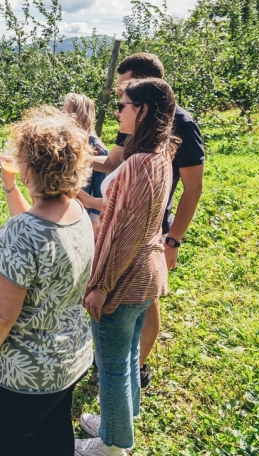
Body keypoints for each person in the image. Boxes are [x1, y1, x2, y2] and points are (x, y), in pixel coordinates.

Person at [0, 107, 95, 456]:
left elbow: (0, 316)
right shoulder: (79, 214)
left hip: (22, 378)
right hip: (69, 359)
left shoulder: (21, 232)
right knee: (54, 443)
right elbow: (36, 229)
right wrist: (10, 184)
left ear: (31, 166)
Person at [77, 79, 179, 456]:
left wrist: (101, 284)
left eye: (124, 105)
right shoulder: (161, 155)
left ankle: (112, 445)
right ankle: (121, 419)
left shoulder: (138, 163)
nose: (118, 111)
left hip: (126, 277)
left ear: (144, 110)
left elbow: (124, 233)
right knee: (130, 351)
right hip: (149, 274)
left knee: (113, 368)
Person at [91, 53, 205, 387]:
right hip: (129, 216)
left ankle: (136, 367)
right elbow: (112, 162)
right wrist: (70, 155)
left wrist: (173, 240)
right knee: (134, 293)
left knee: (146, 296)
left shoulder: (180, 124)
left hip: (154, 226)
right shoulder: (132, 118)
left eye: (125, 88)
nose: (119, 98)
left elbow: (194, 189)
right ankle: (125, 366)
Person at [63, 93, 109, 239]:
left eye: (69, 113)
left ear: (81, 116)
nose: (63, 116)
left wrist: (93, 226)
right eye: (63, 112)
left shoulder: (98, 150)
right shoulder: (61, 142)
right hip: (59, 212)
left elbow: (100, 191)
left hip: (80, 218)